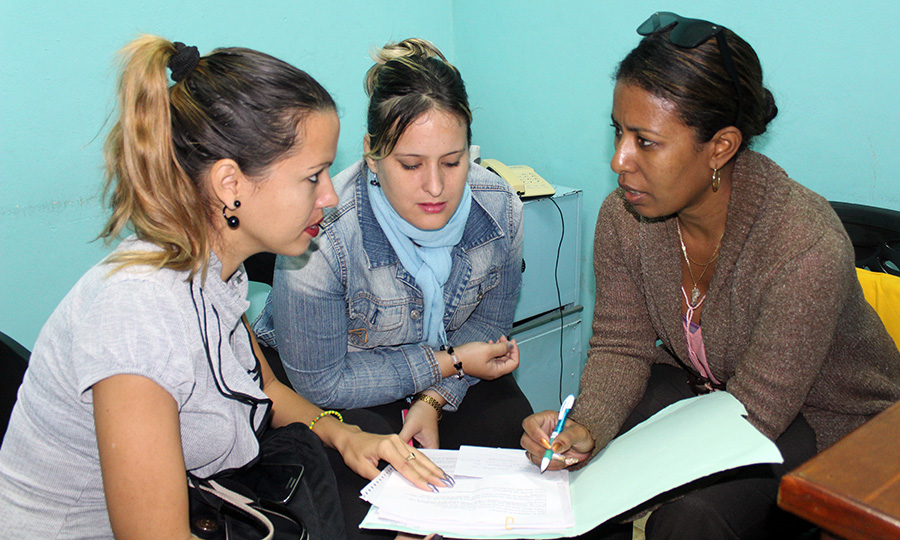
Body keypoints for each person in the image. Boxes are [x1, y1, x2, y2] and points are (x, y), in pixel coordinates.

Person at [0, 35, 451, 540]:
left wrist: (345, 436)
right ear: (229, 184)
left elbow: (267, 389)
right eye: (312, 176)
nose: (329, 195)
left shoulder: (213, 269)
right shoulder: (137, 315)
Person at [521, 12, 900, 540]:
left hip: (820, 416)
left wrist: (639, 468)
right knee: (572, 480)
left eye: (645, 141)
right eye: (618, 131)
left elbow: (758, 413)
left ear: (720, 147)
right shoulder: (624, 218)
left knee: (691, 519)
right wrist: (585, 428)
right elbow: (621, 346)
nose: (618, 160)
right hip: (710, 391)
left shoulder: (804, 244)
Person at [253, 38, 533, 538]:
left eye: (453, 162)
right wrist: (449, 363)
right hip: (332, 377)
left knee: (513, 444)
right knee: (389, 500)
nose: (435, 187)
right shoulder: (322, 233)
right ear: (373, 153)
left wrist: (434, 398)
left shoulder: (500, 207)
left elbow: (490, 327)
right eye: (410, 164)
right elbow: (322, 383)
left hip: (442, 367)